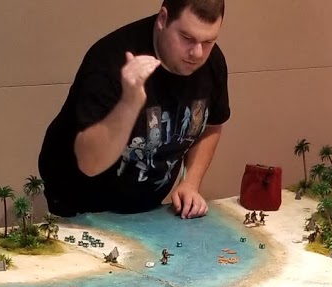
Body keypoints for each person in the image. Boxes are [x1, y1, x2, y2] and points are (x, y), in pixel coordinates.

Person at [38, 0, 230, 219]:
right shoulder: (109, 60)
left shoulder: (212, 62)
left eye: (208, 41)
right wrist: (129, 103)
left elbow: (212, 125)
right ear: (163, 19)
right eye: (187, 38)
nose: (197, 53)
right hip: (79, 201)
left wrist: (190, 182)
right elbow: (90, 163)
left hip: (147, 205)